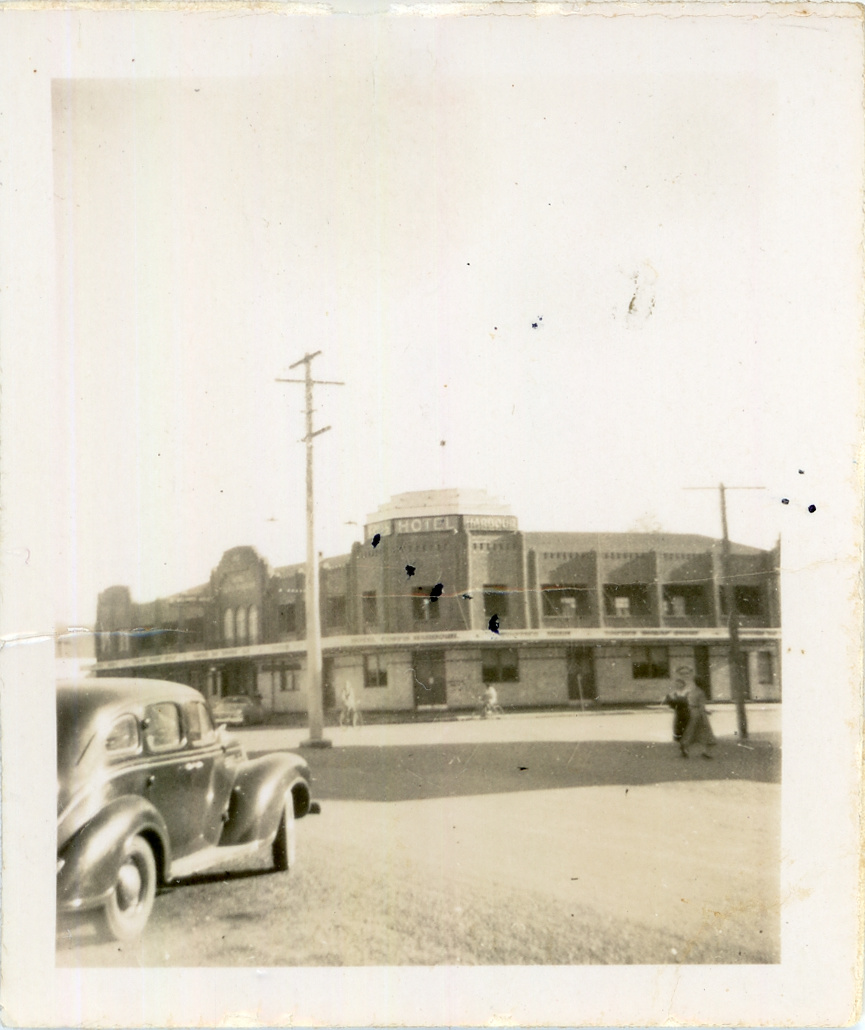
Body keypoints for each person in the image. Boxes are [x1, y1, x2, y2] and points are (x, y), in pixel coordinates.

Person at [677, 665, 716, 759]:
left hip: (691, 712)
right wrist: (708, 712)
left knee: (690, 731)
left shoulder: (691, 691)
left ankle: (685, 747)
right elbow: (702, 706)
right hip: (699, 714)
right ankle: (706, 752)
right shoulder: (701, 692)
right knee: (705, 732)